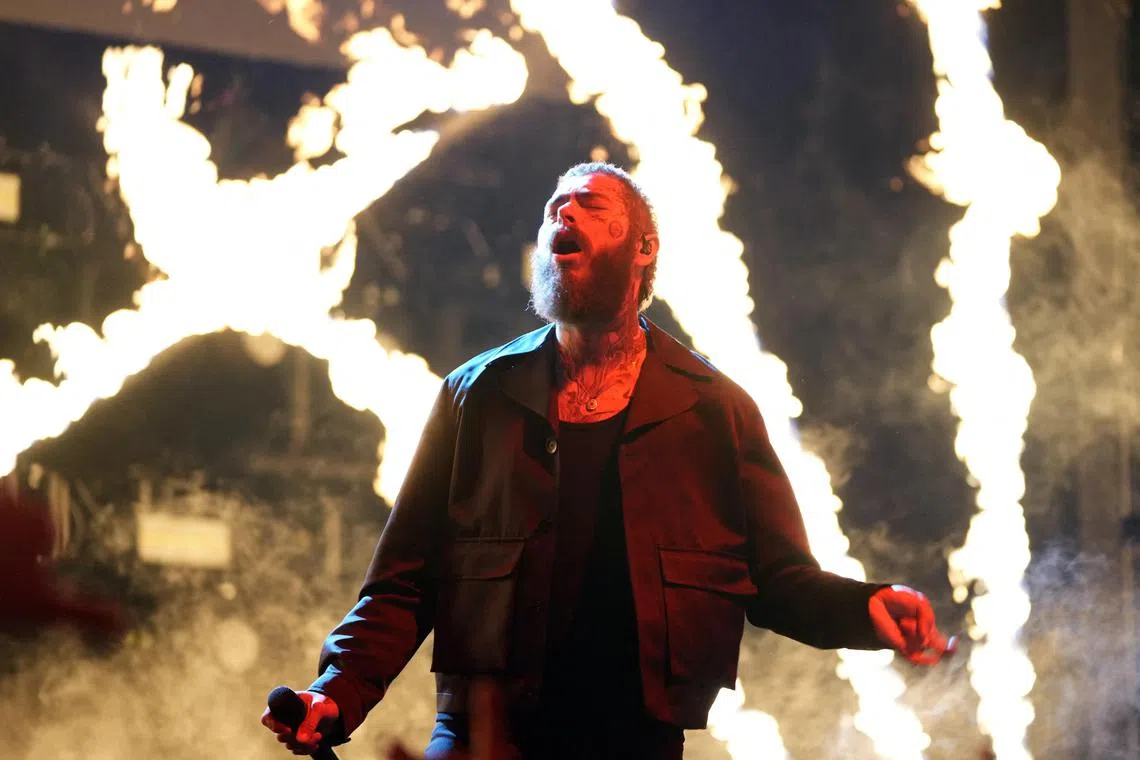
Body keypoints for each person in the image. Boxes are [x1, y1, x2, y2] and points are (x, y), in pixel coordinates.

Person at [261, 162, 949, 759]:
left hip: (634, 743)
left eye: (590, 204)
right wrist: (336, 696)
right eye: (554, 208)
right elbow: (402, 585)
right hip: (481, 736)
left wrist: (870, 608)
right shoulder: (477, 395)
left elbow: (780, 581)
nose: (563, 211)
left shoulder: (715, 410)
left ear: (643, 248)